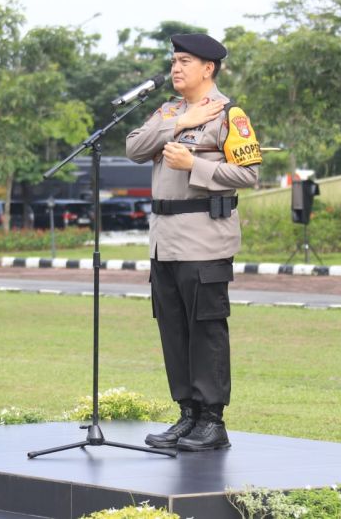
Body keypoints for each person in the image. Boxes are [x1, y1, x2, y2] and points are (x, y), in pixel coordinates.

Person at [125, 33, 261, 453]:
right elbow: (134, 147)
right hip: (165, 242)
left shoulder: (229, 115)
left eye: (185, 61)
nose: (176, 68)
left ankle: (212, 421)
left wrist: (196, 164)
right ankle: (187, 414)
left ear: (209, 68)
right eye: (173, 61)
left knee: (205, 331)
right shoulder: (168, 111)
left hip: (204, 240)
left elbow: (249, 174)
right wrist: (178, 125)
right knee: (174, 331)